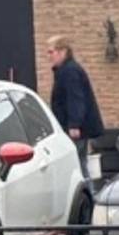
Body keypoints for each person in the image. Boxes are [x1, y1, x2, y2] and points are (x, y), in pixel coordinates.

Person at [46, 35, 104, 177]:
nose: (49, 56)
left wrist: (74, 125)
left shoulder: (70, 71)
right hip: (72, 127)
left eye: (51, 52)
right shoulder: (65, 70)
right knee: (79, 163)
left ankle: (86, 190)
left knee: (77, 165)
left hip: (74, 130)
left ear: (63, 51)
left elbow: (76, 98)